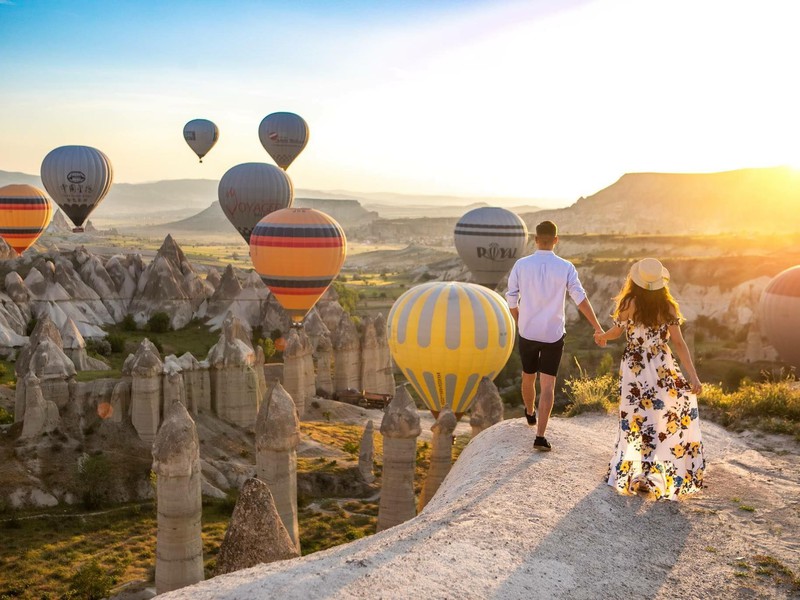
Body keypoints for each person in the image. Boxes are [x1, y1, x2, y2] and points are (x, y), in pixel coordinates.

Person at [594, 258, 705, 501]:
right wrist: (692, 376)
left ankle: (642, 473)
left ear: (635, 280)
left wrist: (602, 336)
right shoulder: (668, 306)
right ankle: (648, 472)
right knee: (660, 416)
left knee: (636, 417)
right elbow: (679, 343)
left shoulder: (629, 303)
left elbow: (616, 331)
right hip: (661, 363)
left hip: (635, 366)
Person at [505, 220, 605, 451]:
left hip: (528, 332)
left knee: (527, 376)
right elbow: (580, 299)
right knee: (548, 385)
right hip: (553, 334)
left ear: (535, 239)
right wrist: (597, 327)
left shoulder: (521, 265)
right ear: (556, 240)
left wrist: (521, 321)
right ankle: (540, 436)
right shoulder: (566, 267)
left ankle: (529, 413)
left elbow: (511, 298)